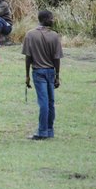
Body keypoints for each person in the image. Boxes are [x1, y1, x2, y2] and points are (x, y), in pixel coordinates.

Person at [22, 10, 63, 140]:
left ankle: (42, 132)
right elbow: (57, 58)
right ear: (45, 19)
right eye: (51, 18)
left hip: (38, 71)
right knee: (50, 102)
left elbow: (28, 57)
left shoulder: (30, 35)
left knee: (44, 102)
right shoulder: (55, 36)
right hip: (51, 71)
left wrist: (27, 75)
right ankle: (49, 130)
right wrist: (57, 75)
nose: (53, 20)